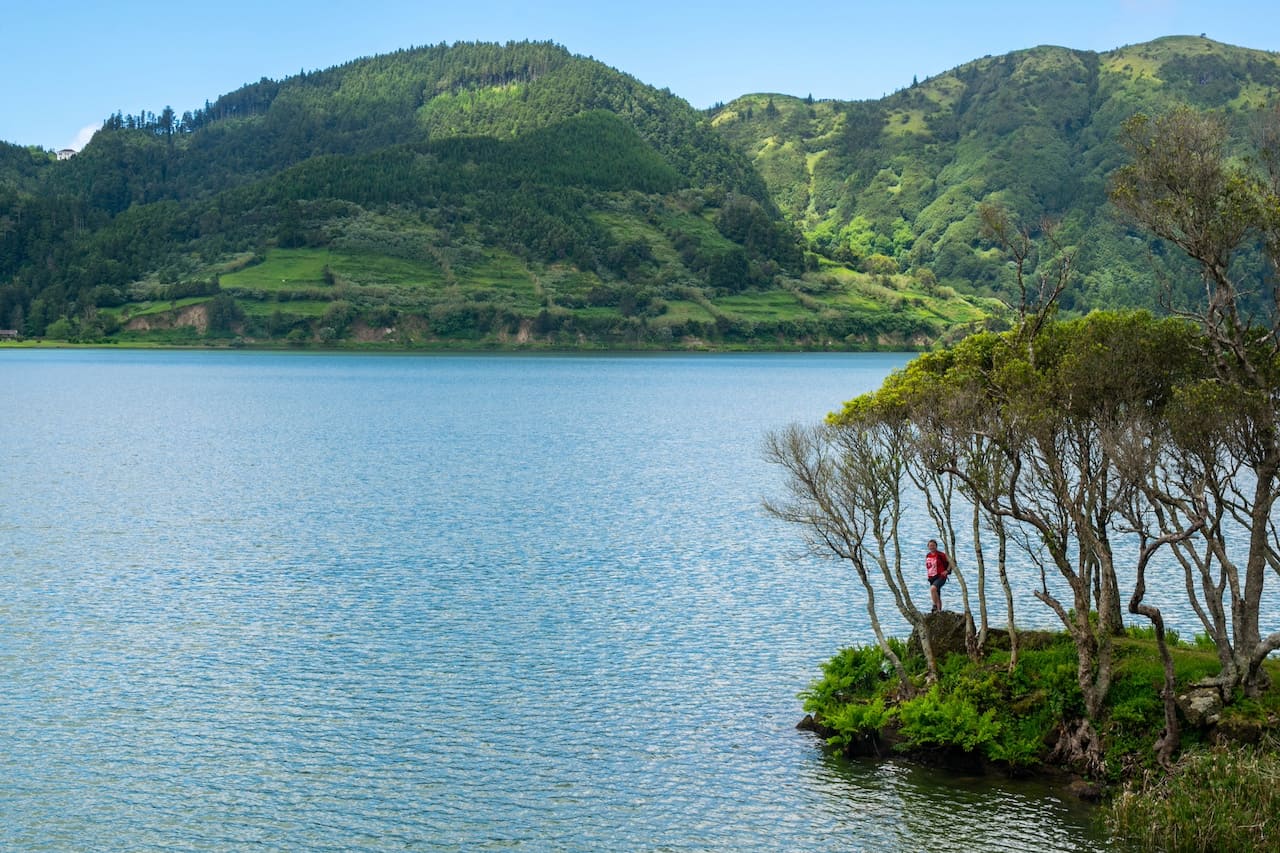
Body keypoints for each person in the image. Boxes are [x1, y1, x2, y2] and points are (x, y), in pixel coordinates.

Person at [925, 539, 950, 613]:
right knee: (937, 595)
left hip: (941, 576)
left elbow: (951, 562)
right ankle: (938, 611)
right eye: (930, 546)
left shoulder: (941, 555)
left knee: (933, 589)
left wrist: (947, 571)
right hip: (932, 577)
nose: (932, 547)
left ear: (936, 546)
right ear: (928, 547)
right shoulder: (928, 555)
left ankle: (934, 605)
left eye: (933, 545)